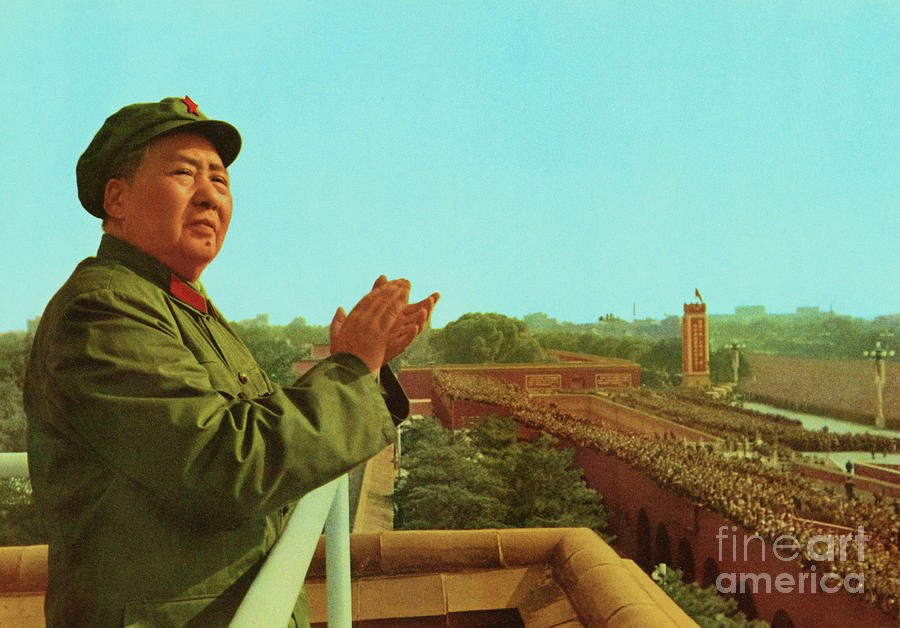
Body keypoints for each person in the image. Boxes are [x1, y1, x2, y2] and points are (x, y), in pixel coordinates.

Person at [24, 96, 438, 627]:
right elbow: (228, 464)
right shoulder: (102, 310)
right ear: (117, 198)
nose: (209, 195)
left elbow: (257, 428)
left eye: (220, 181)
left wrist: (365, 366)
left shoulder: (180, 304)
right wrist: (351, 367)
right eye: (184, 173)